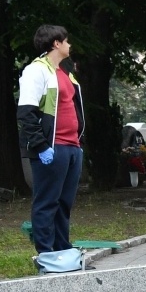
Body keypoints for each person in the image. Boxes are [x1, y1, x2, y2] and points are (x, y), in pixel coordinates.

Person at [17, 24, 85, 257]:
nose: (69, 44)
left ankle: (63, 251)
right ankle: (46, 254)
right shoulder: (37, 71)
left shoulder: (65, 73)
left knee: (64, 203)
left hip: (72, 147)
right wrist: (42, 146)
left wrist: (78, 144)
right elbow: (26, 113)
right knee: (47, 202)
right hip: (52, 148)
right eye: (66, 40)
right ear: (56, 43)